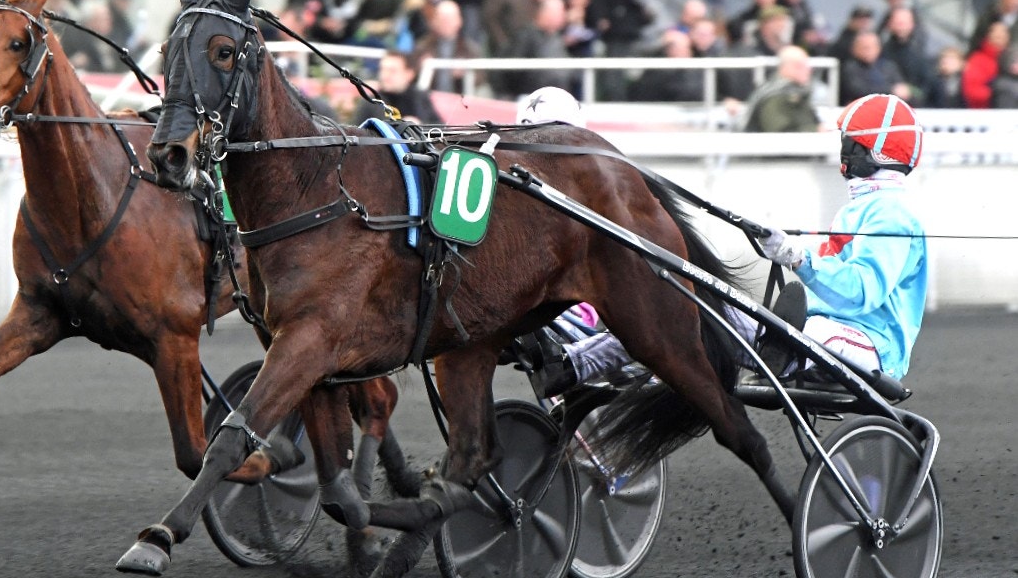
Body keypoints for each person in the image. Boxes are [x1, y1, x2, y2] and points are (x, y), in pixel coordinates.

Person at [524, 93, 928, 398]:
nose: (842, 151)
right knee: (682, 307)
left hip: (865, 347)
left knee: (685, 310)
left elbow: (861, 292)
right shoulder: (868, 208)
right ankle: (574, 364)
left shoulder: (892, 213)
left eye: (849, 143)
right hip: (824, 332)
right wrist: (786, 245)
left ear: (875, 149)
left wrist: (797, 256)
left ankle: (578, 362)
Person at [737, 45, 820, 132]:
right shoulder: (774, 97)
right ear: (787, 67)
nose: (809, 70)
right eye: (800, 66)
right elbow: (780, 134)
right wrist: (814, 131)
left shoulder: (798, 94)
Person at [351, 50, 443, 125]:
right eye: (383, 69)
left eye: (392, 71)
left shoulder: (419, 97)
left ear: (409, 74)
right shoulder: (371, 102)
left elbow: (439, 126)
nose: (385, 75)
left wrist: (420, 125)